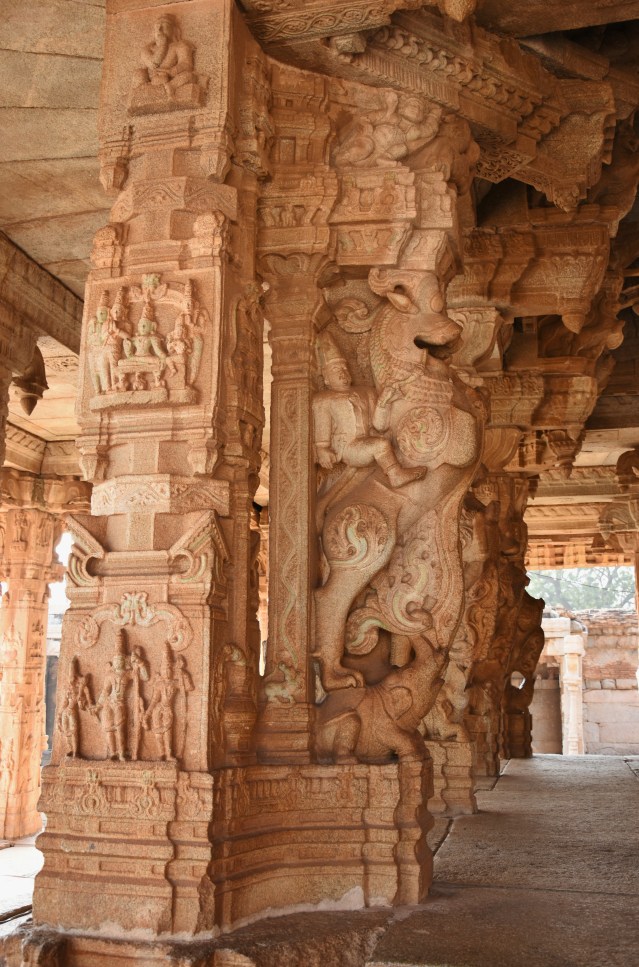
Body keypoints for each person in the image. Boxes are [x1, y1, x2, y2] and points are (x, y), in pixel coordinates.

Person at [312, 333, 422, 488]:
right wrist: (322, 448)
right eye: (336, 369)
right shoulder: (324, 400)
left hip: (367, 439)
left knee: (391, 438)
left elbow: (379, 425)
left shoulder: (366, 392)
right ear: (326, 379)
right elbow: (322, 429)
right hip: (347, 448)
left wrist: (383, 403)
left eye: (344, 368)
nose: (343, 373)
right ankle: (395, 475)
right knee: (381, 445)